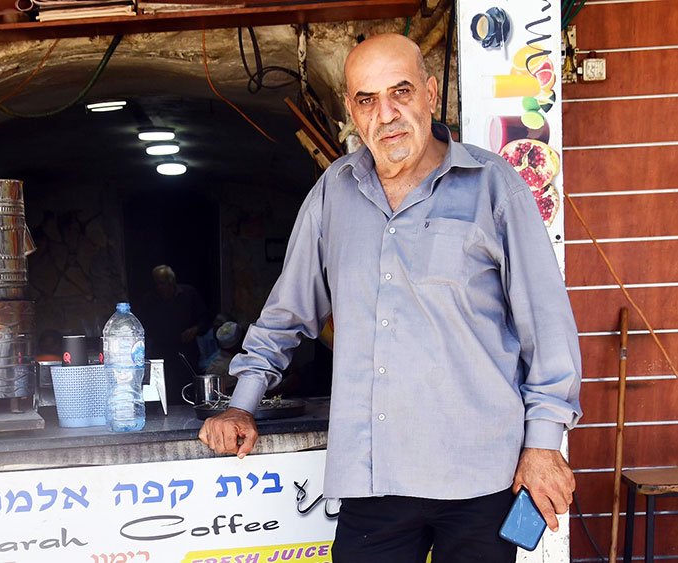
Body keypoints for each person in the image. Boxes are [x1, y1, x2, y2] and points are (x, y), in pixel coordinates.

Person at [198, 33, 581, 562]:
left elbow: (549, 330)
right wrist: (242, 405)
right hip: (374, 477)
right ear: (354, 114)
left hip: (480, 478)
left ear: (428, 94)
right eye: (367, 99)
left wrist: (542, 445)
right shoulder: (334, 191)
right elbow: (286, 315)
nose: (388, 113)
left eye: (401, 92)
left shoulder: (494, 186)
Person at [135, 265, 210, 405]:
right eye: (156, 283)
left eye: (162, 282)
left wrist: (195, 329)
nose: (159, 287)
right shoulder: (149, 300)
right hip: (161, 352)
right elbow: (140, 326)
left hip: (186, 352)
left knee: (190, 390)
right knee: (167, 392)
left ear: (171, 281)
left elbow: (205, 319)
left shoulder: (189, 294)